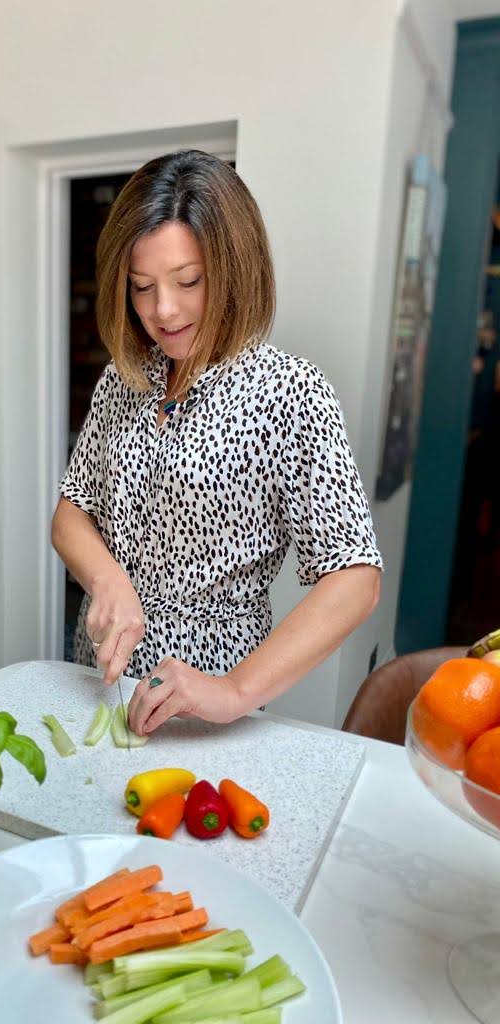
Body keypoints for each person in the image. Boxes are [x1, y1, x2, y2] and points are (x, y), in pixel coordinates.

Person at [51, 150, 383, 738]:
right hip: (101, 672)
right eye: (142, 287)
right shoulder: (122, 379)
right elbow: (72, 511)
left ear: (233, 268)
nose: (163, 310)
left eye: (188, 281)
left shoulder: (288, 393)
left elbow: (355, 578)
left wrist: (233, 690)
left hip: (204, 692)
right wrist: (109, 580)